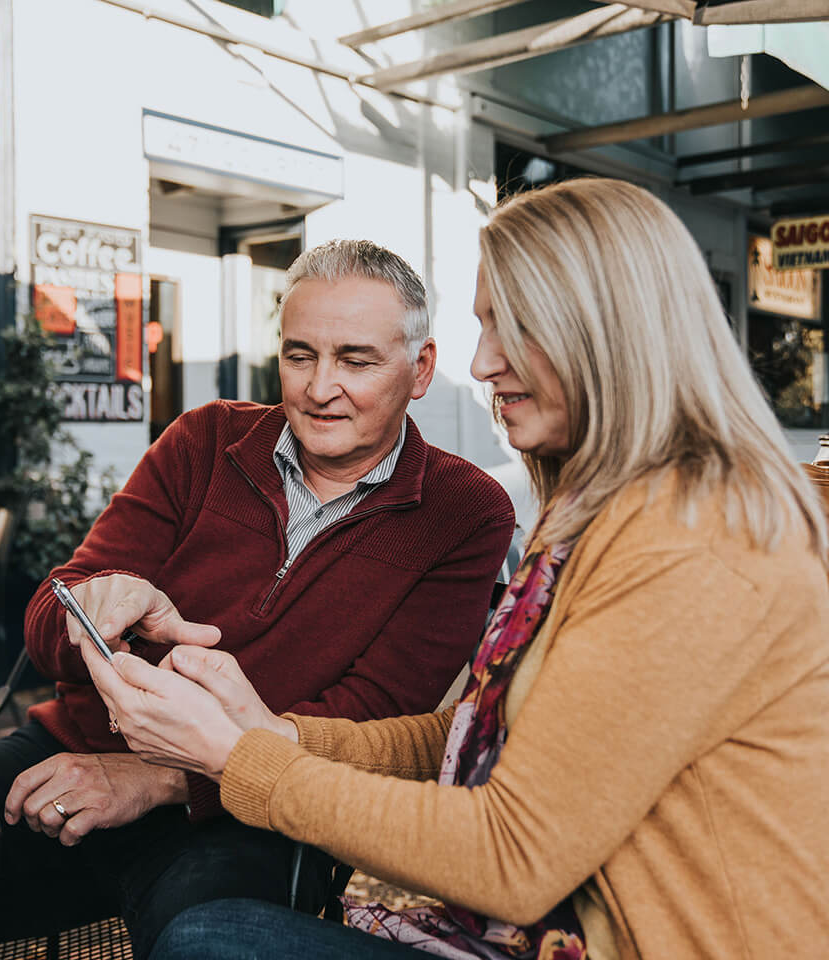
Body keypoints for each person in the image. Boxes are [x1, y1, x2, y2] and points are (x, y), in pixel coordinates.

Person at [80, 179, 829, 960]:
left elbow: (512, 858)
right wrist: (282, 734)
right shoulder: (602, 511)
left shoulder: (693, 544)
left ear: (616, 334)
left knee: (210, 942)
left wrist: (239, 760)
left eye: (514, 327)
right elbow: (477, 727)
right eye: (482, 326)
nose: (483, 363)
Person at [0, 240, 514, 960]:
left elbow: (370, 716)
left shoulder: (465, 511)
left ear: (420, 368)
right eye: (300, 354)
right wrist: (87, 611)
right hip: (73, 750)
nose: (318, 386)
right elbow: (46, 624)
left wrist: (161, 778)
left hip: (247, 812)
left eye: (356, 360)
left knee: (203, 943)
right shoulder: (207, 439)